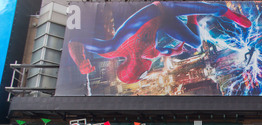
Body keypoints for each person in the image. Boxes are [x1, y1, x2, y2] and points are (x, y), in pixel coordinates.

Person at [68, 2, 251, 84]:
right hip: (164, 22)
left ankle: (230, 14)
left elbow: (75, 40)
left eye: (142, 72)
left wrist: (80, 61)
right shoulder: (149, 55)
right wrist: (175, 51)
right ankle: (192, 17)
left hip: (162, 7)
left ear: (133, 68)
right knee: (195, 42)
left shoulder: (112, 49)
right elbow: (163, 51)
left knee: (214, 9)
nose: (147, 70)